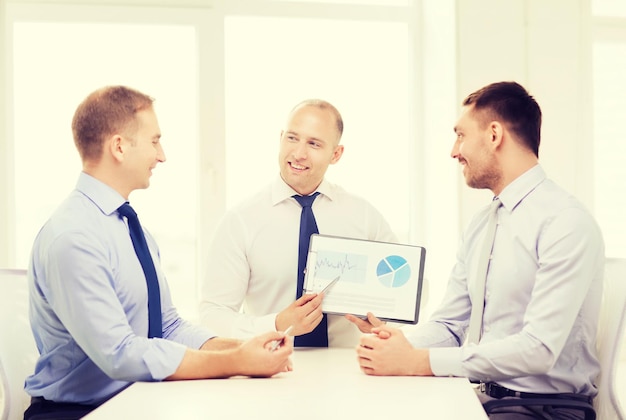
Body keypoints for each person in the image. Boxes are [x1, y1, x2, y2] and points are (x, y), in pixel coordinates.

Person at [24, 86, 293, 420]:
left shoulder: (129, 227)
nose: (162, 155)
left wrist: (244, 348)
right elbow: (120, 354)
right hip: (79, 413)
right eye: (154, 141)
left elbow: (165, 325)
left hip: (135, 402)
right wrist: (235, 362)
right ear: (119, 147)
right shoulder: (73, 237)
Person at [354, 81, 604, 419]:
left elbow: (539, 349)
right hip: (487, 397)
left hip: (547, 410)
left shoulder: (565, 222)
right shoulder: (483, 223)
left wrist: (419, 361)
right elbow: (450, 326)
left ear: (494, 134)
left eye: (460, 135)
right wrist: (397, 341)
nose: (454, 151)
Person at [198, 99, 397, 348]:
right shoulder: (241, 221)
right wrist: (277, 324)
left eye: (313, 144)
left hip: (351, 373)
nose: (299, 153)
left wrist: (383, 323)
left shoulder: (364, 216)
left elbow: (406, 292)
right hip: (268, 373)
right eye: (292, 138)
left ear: (336, 154)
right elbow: (212, 316)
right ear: (281, 138)